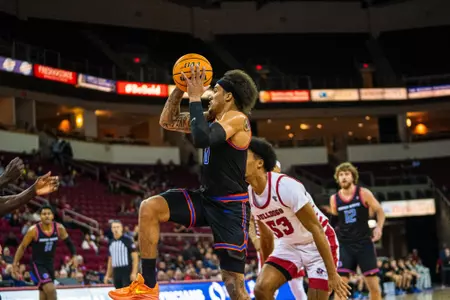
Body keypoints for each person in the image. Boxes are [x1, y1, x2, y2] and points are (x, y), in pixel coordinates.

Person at [108, 66, 258, 300]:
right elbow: (167, 121)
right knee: (150, 207)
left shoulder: (237, 119)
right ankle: (147, 286)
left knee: (233, 285)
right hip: (205, 197)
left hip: (231, 206)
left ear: (229, 96)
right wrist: (180, 89)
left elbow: (201, 139)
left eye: (215, 91)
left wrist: (196, 96)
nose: (211, 95)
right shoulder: (210, 118)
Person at [246, 137, 350, 300]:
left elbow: (316, 229)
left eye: (243, 156)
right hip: (288, 244)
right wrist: (266, 274)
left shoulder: (286, 187)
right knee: (262, 289)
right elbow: (266, 238)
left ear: (259, 163)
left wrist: (332, 273)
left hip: (316, 243)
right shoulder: (250, 195)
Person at [248, 161, 307, 299]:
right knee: (267, 285)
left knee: (297, 285)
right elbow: (249, 220)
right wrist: (254, 238)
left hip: (287, 240)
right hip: (267, 242)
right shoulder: (254, 191)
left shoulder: (287, 189)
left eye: (275, 169)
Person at [329, 162, 385, 300]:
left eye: (347, 174)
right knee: (341, 288)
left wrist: (379, 227)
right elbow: (333, 222)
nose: (344, 177)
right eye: (341, 175)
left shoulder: (363, 193)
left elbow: (380, 211)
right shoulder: (334, 199)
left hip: (364, 244)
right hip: (345, 245)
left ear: (353, 177)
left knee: (374, 288)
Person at [13, 204, 77, 300]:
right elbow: (22, 247)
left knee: (44, 294)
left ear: (52, 216)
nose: (46, 215)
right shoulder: (33, 230)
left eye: (48, 213)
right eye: (44, 214)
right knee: (51, 290)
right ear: (40, 216)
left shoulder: (59, 228)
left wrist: (74, 256)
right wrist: (15, 263)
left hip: (50, 264)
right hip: (37, 264)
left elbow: (69, 243)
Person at [104, 220, 139, 288]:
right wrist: (107, 275)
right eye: (114, 227)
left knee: (127, 293)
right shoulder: (111, 242)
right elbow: (110, 260)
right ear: (111, 229)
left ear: (121, 228)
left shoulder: (127, 240)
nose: (116, 229)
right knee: (118, 293)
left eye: (117, 227)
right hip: (116, 271)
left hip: (126, 270)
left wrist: (134, 272)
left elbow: (135, 258)